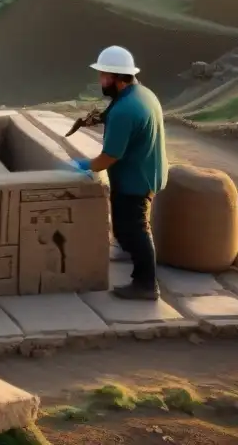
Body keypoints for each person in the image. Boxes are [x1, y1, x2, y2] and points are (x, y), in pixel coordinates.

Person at [70, 45, 168, 301]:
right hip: (148, 170)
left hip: (135, 179)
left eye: (103, 75)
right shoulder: (141, 94)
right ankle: (130, 251)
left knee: (136, 228)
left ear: (116, 77)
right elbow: (125, 117)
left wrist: (83, 166)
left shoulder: (125, 110)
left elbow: (109, 157)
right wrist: (101, 118)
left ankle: (146, 284)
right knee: (129, 229)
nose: (100, 80)